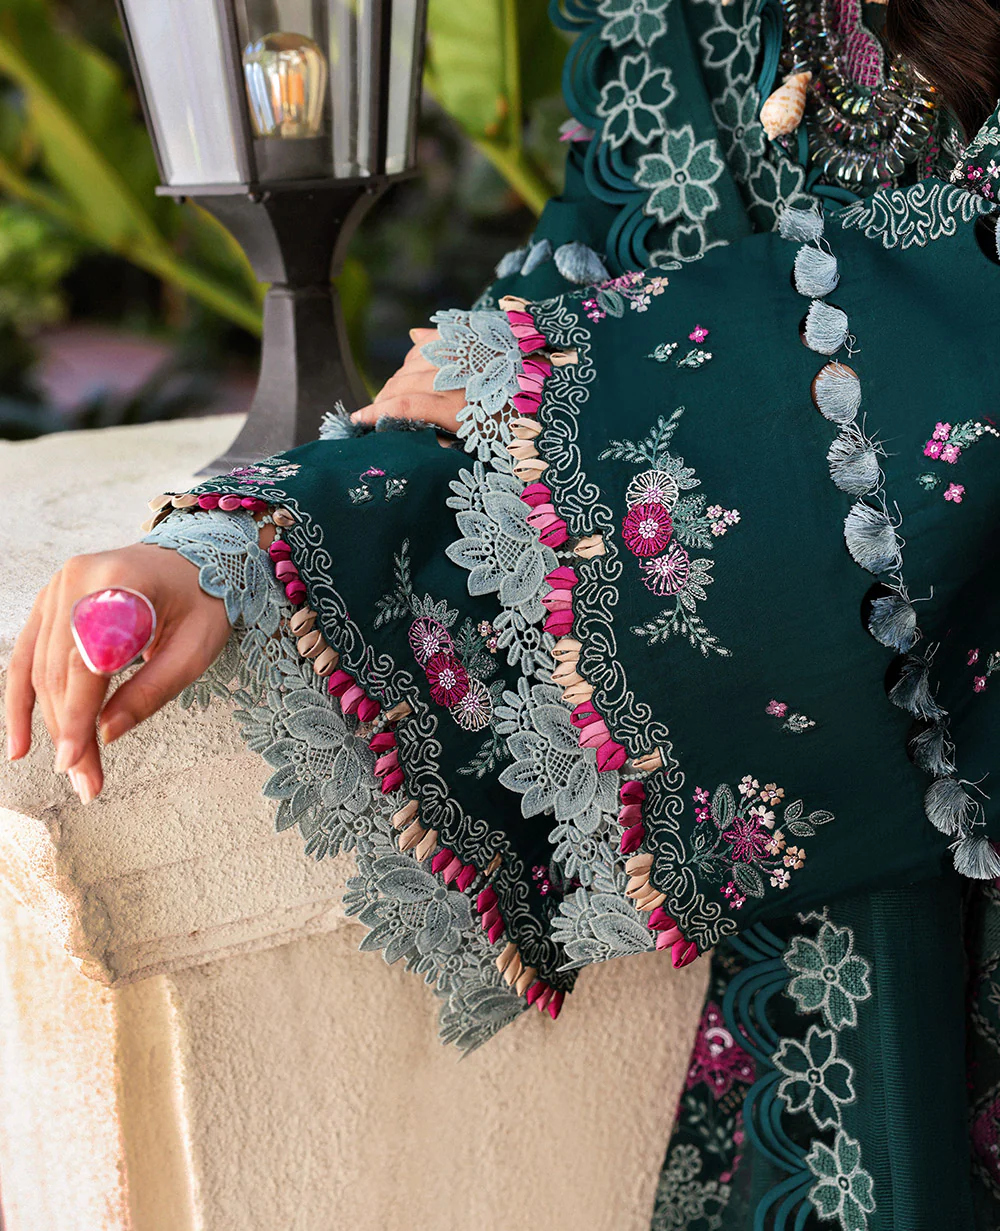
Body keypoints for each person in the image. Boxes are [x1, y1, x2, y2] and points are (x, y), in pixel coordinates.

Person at [7, 0, 1000, 1226]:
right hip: (854, 934)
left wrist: (558, 360)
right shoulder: (682, 21)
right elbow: (585, 284)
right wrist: (243, 539)